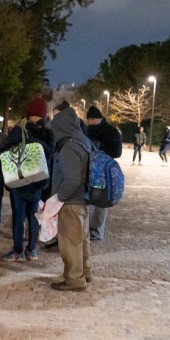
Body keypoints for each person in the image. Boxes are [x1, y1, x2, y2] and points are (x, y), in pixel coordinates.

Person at [0, 98, 55, 261]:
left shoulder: (20, 129)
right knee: (34, 216)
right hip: (38, 181)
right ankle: (32, 250)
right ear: (44, 114)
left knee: (18, 217)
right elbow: (51, 154)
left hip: (19, 180)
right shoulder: (47, 131)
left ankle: (18, 250)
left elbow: (4, 150)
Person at [50, 107, 91, 292]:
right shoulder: (84, 141)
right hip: (83, 200)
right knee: (82, 240)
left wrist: (59, 197)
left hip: (71, 203)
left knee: (70, 243)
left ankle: (74, 279)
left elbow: (72, 179)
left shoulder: (69, 147)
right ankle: (85, 272)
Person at [86, 106, 122, 241]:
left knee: (99, 199)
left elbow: (117, 152)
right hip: (88, 168)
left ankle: (96, 230)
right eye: (89, 119)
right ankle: (86, 228)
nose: (91, 122)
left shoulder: (111, 131)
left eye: (93, 119)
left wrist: (100, 147)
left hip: (102, 171)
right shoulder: (86, 130)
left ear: (100, 118)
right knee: (87, 199)